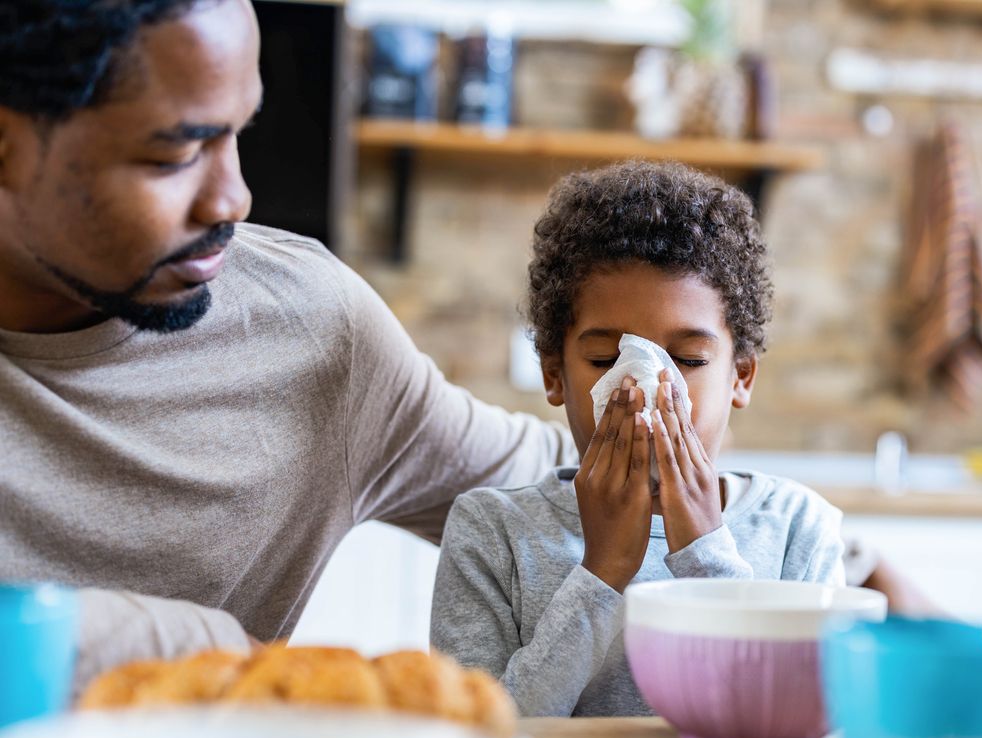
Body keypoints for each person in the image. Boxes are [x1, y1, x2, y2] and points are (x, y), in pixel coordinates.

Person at [0, 0, 572, 691]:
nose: (232, 199)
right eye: (176, 153)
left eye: (240, 132)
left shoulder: (311, 333)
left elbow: (565, 490)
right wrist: (200, 641)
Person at [430, 161, 846, 717]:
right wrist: (601, 573)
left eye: (689, 360)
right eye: (605, 359)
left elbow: (799, 722)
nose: (647, 393)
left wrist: (706, 557)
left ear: (740, 377)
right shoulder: (491, 534)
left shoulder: (798, 530)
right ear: (554, 374)